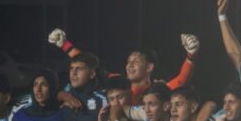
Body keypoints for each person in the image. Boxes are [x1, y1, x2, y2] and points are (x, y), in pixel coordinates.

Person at [48, 29, 199, 105]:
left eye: (136, 61)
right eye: (128, 61)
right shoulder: (118, 82)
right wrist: (64, 45)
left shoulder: (158, 90)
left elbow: (181, 81)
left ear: (149, 67)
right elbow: (87, 65)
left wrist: (191, 55)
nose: (129, 65)